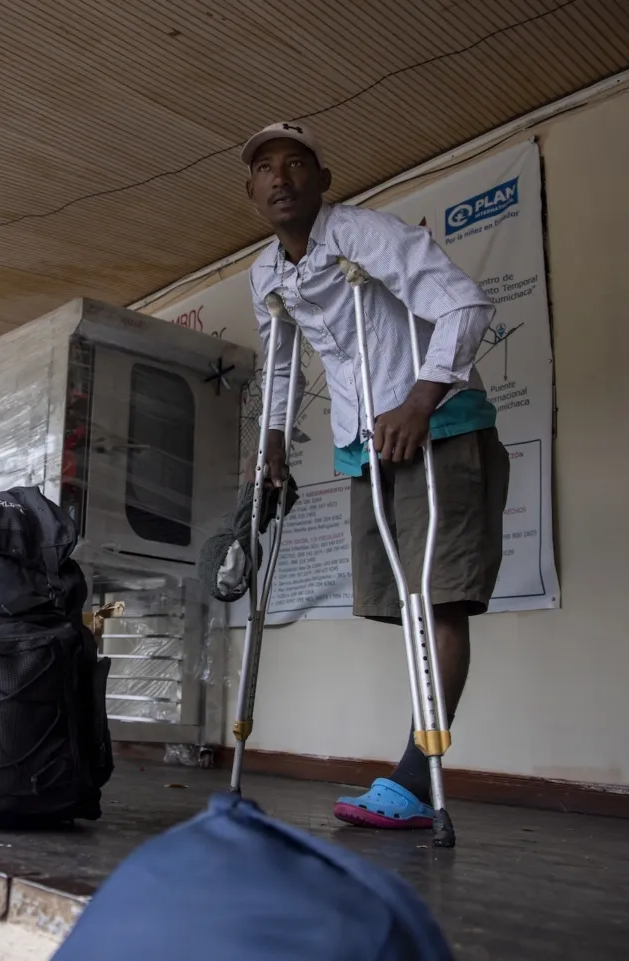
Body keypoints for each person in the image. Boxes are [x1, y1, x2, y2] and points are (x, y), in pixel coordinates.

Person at [243, 122, 508, 830]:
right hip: (365, 445)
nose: (281, 178)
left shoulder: (366, 235)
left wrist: (419, 400)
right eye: (265, 169)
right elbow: (278, 363)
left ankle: (417, 779)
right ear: (251, 192)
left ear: (323, 181)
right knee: (406, 608)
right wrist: (272, 447)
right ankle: (414, 770)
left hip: (440, 427)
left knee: (437, 602)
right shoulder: (266, 273)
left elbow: (466, 303)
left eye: (297, 164)